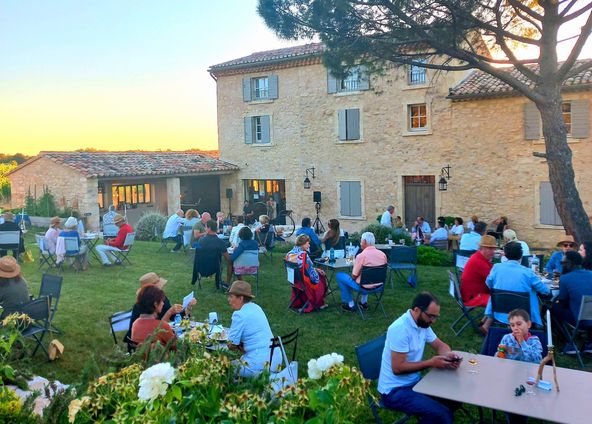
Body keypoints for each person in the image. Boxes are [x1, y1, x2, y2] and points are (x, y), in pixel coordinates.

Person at [377, 292, 461, 423]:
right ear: (417, 310)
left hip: (415, 383)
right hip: (394, 391)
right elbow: (397, 368)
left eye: (436, 317)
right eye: (431, 316)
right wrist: (430, 363)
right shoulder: (400, 329)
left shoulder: (423, 324)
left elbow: (440, 345)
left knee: (454, 399)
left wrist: (448, 355)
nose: (433, 321)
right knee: (442, 415)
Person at [481, 241, 550, 333]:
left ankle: (487, 323)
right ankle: (538, 327)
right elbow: (544, 290)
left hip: (500, 311)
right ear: (521, 255)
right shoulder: (528, 272)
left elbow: (489, 283)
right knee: (534, 295)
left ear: (505, 254)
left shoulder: (496, 268)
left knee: (498, 290)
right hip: (524, 314)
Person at [496, 308, 543, 424]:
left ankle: (520, 417)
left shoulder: (534, 341)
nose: (515, 328)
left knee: (521, 405)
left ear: (528, 324)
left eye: (519, 324)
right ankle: (510, 415)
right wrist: (499, 354)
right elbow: (498, 357)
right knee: (510, 402)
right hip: (509, 377)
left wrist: (522, 341)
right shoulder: (507, 338)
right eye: (512, 325)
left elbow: (536, 360)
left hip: (528, 378)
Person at [226, 280, 281, 376]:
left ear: (241, 298)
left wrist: (236, 344)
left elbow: (231, 345)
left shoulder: (239, 315)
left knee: (225, 367)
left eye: (231, 296)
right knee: (237, 361)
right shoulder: (256, 307)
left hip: (260, 364)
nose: (229, 300)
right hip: (275, 359)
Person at [125, 272, 194, 347]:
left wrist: (187, 308)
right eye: (161, 301)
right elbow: (176, 347)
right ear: (155, 304)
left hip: (141, 353)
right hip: (157, 354)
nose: (163, 303)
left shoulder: (136, 322)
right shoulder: (161, 326)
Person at [550, 251, 592, 354]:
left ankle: (569, 343)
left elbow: (563, 303)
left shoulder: (565, 278)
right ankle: (589, 343)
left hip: (581, 321)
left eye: (562, 263)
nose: (561, 265)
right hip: (589, 315)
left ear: (570, 264)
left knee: (552, 308)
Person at [336, 232, 387, 312]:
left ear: (364, 242)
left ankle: (350, 304)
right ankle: (363, 302)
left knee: (340, 275)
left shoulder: (361, 256)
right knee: (366, 276)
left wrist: (355, 266)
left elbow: (353, 276)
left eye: (361, 241)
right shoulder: (383, 255)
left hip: (363, 287)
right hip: (379, 285)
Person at [285, 234, 328, 312]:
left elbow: (304, 267)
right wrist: (318, 271)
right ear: (303, 243)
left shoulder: (289, 254)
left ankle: (304, 301)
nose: (309, 245)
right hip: (303, 281)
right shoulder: (303, 255)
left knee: (318, 272)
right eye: (308, 243)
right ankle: (319, 303)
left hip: (294, 280)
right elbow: (309, 271)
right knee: (321, 277)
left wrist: (316, 269)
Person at [460, 235, 496, 308]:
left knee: (501, 299)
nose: (493, 252)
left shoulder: (478, 257)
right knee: (502, 300)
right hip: (473, 298)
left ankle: (487, 319)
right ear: (482, 248)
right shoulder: (479, 262)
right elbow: (495, 280)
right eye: (490, 249)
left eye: (494, 249)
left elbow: (492, 271)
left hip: (472, 295)